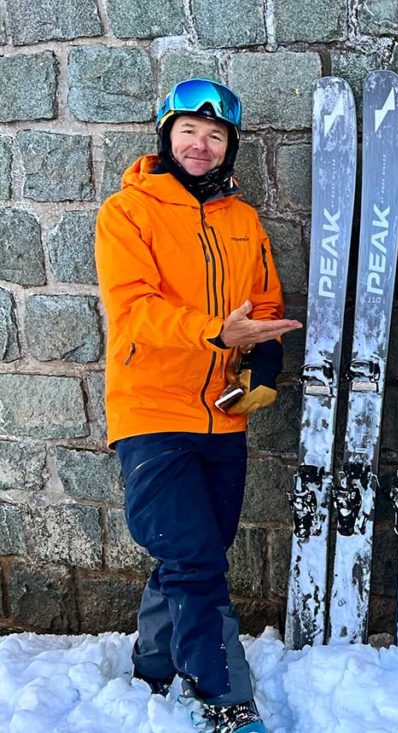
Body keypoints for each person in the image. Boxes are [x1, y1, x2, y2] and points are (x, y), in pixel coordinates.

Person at [95, 78, 302, 733]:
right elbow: (135, 313)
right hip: (153, 415)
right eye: (189, 130)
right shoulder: (127, 213)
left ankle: (153, 667)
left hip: (222, 417)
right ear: (166, 136)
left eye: (215, 135)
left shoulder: (242, 221)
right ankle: (223, 697)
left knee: (193, 553)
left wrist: (261, 365)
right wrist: (218, 330)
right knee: (196, 560)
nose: (201, 144)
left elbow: (264, 307)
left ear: (229, 146)